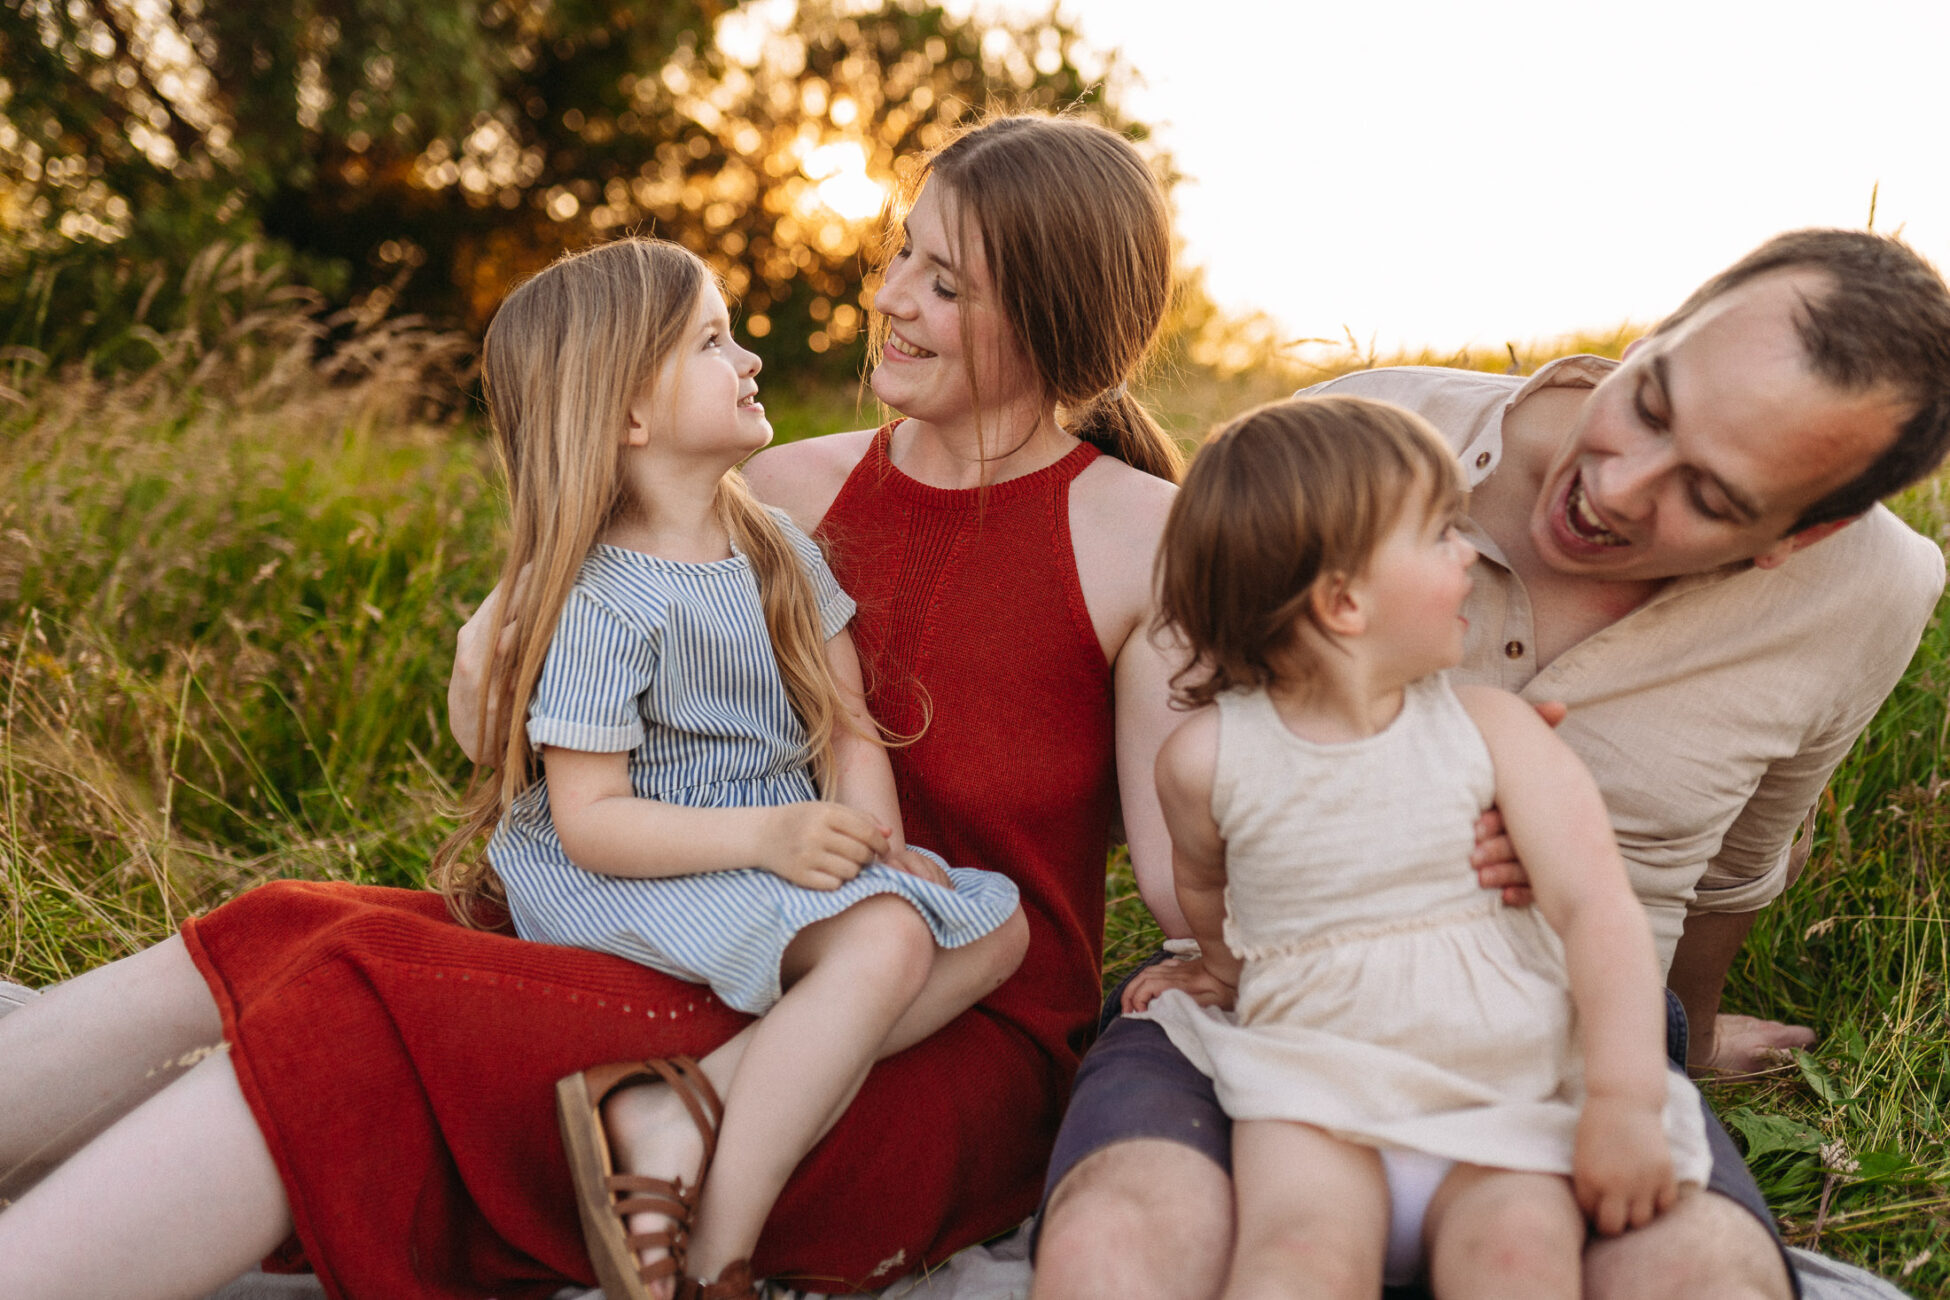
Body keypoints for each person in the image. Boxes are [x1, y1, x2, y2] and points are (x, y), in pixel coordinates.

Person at [0, 111, 1189, 1300]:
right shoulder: (783, 487)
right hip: (710, 925)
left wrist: (1232, 959)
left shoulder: (1145, 539)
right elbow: (529, 703)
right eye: (901, 254)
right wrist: (495, 639)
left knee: (364, 999)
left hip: (927, 1040)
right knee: (289, 919)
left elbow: (1185, 865)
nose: (889, 298)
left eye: (945, 283)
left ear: (1051, 317)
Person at [1033, 228, 1950, 1300]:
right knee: (1119, 1249)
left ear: (1803, 533)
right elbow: (1193, 768)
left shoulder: (1874, 588)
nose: (1619, 488)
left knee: (1697, 1278)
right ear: (1661, 328)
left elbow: (1732, 872)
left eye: (1711, 496)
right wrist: (1241, 941)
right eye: (1651, 404)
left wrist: (1679, 1042)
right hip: (1275, 1007)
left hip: (1564, 1032)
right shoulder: (1349, 442)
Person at [435, 235, 1028, 1298]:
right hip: (642, 860)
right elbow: (591, 818)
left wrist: (880, 848)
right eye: (712, 342)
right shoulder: (603, 599)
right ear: (628, 414)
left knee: (997, 929)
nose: (750, 359)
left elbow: (847, 725)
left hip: (768, 844)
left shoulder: (776, 549)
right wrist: (775, 837)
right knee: (891, 940)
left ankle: (680, 1103)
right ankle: (721, 1254)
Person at [1125, 395, 1711, 1297]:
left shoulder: (1494, 729)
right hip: (1313, 1087)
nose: (1470, 553)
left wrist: (1623, 1098)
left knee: (1517, 1258)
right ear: (1344, 602)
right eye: (1441, 535)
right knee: (1297, 1258)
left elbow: (1597, 907)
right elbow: (1206, 887)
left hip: (1503, 1082)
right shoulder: (1206, 759)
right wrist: (1224, 971)